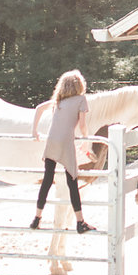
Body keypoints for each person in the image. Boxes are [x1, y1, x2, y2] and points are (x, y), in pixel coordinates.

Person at [29, 69, 93, 234]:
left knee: (47, 180)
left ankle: (37, 218)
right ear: (79, 85)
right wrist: (87, 139)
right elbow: (83, 125)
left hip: (52, 140)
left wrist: (34, 131)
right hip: (66, 142)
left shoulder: (58, 101)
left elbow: (38, 108)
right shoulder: (81, 100)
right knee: (72, 181)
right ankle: (80, 222)